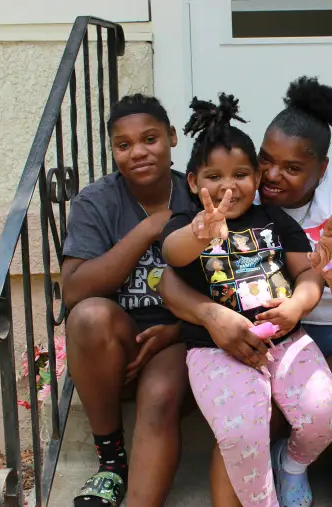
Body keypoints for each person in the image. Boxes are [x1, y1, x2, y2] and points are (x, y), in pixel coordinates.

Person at [158, 76, 332, 506]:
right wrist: (200, 235)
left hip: (313, 337)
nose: (272, 176)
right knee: (245, 427)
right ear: (193, 181)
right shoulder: (197, 216)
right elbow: (171, 265)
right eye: (267, 162)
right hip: (228, 345)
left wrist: (326, 278)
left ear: (321, 168)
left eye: (293, 168)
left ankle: (292, 465)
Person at [62, 94, 193, 507]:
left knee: (159, 395)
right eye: (124, 144)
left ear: (172, 138)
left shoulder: (199, 193)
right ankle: (111, 465)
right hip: (117, 338)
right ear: (114, 151)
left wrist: (177, 331)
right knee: (87, 316)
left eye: (150, 138)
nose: (138, 152)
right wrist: (149, 229)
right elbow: (74, 290)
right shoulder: (96, 201)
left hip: (179, 336)